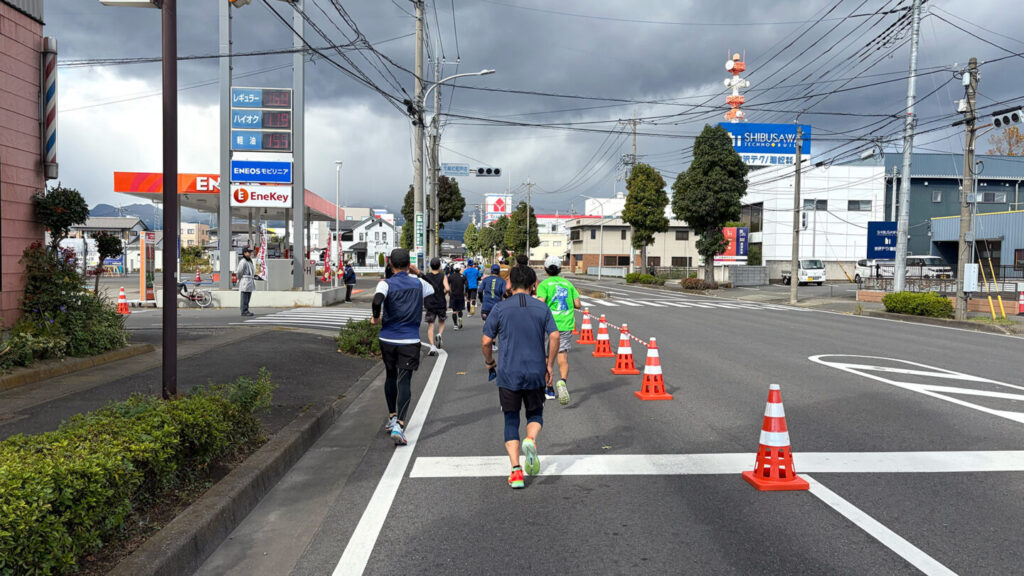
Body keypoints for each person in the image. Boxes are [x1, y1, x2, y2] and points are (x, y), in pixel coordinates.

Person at [482, 265, 559, 489]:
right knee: (535, 413)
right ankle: (530, 440)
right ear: (533, 284)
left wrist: (490, 362)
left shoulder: (500, 308)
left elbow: (486, 341)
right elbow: (555, 336)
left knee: (511, 419)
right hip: (535, 371)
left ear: (510, 284)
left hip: (508, 373)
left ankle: (516, 471)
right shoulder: (542, 308)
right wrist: (549, 364)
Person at [371, 248, 435, 446]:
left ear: (390, 264)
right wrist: (418, 273)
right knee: (404, 380)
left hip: (388, 338)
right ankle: (399, 424)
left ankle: (392, 417)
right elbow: (434, 289)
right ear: (409, 264)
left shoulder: (385, 284)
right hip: (409, 340)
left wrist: (375, 317)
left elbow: (377, 300)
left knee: (390, 375)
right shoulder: (418, 283)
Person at [536, 255, 581, 405]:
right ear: (561, 269)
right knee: (562, 356)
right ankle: (562, 382)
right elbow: (578, 304)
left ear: (545, 269)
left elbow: (540, 303)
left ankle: (549, 389)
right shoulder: (568, 284)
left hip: (548, 325)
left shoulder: (544, 285)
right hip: (566, 324)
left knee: (546, 357)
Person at [422, 257, 450, 355]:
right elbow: (447, 288)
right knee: (441, 321)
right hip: (440, 302)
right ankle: (439, 334)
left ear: (430, 266)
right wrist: (443, 294)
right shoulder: (443, 276)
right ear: (440, 266)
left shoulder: (426, 276)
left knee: (431, 325)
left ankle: (432, 347)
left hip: (430, 302)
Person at [237, 247, 256, 317]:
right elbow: (239, 271)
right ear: (245, 253)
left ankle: (246, 309)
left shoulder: (249, 261)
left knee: (248, 296)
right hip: (245, 279)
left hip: (249, 280)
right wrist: (240, 278)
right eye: (249, 252)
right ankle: (244, 310)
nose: (250, 253)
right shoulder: (243, 261)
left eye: (250, 252)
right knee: (244, 296)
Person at [448, 263, 467, 330]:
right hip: (461, 295)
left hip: (453, 295)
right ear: (459, 269)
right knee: (460, 309)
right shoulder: (463, 276)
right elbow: (467, 285)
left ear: (453, 269)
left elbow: (447, 285)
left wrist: (449, 292)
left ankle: (455, 325)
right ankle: (460, 318)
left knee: (454, 311)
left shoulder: (450, 276)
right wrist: (466, 292)